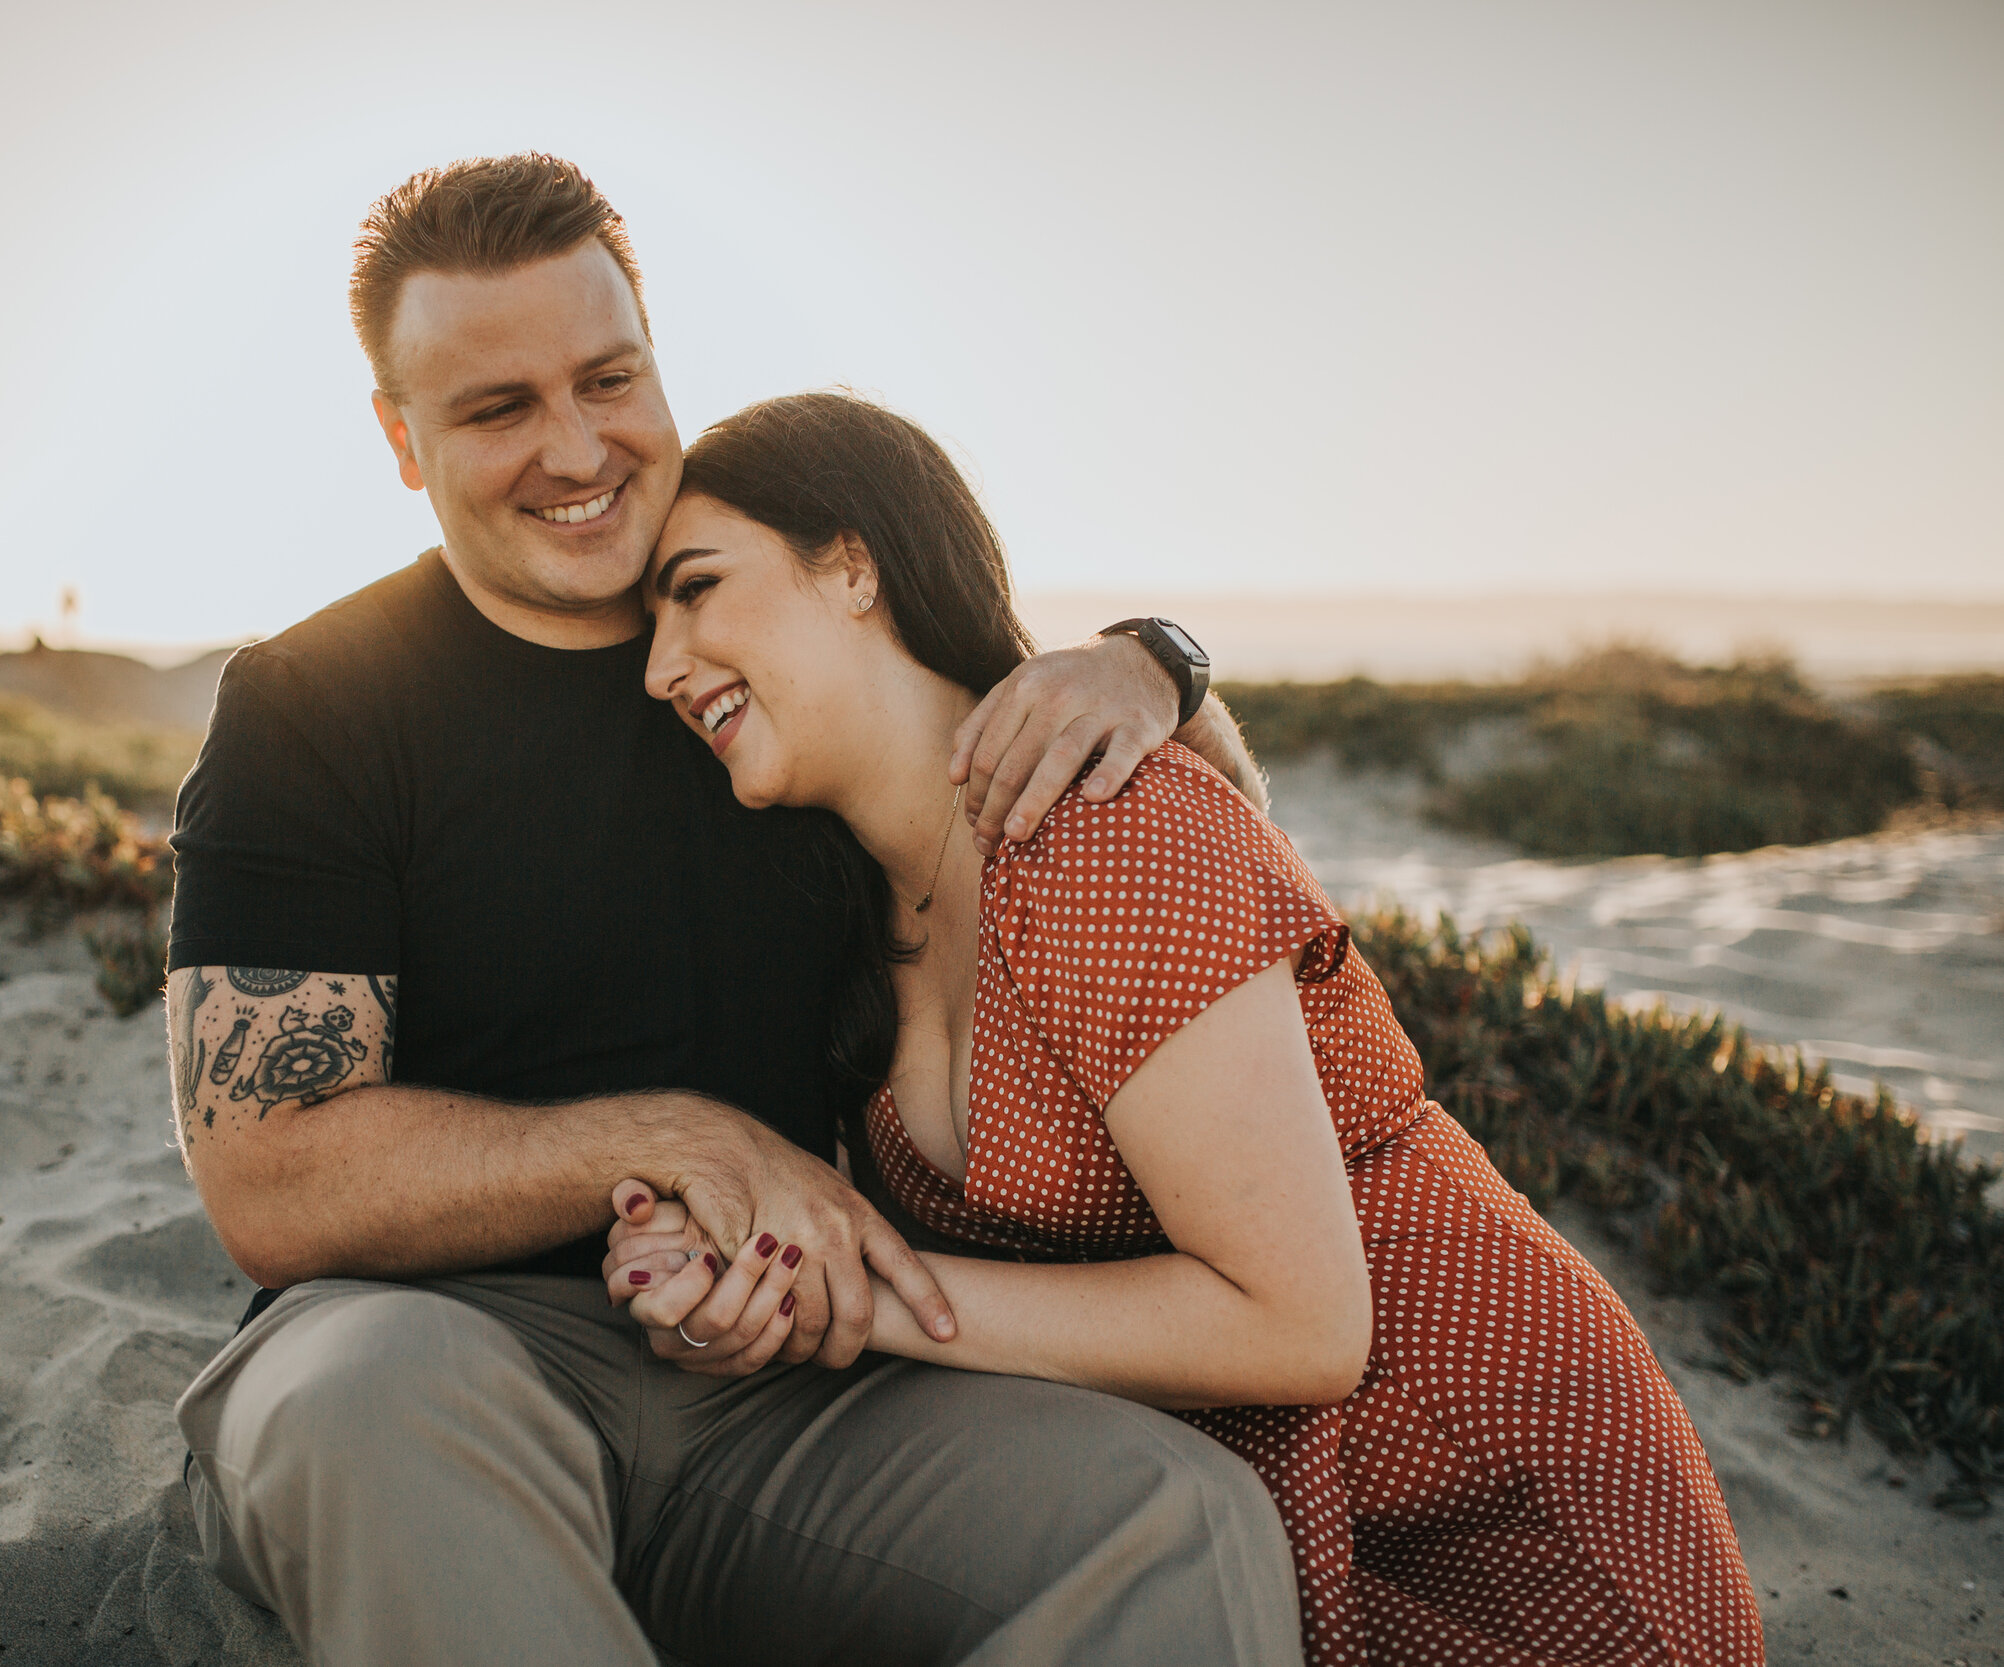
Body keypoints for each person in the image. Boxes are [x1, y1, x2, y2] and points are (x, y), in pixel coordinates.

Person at [166, 154, 1303, 1665]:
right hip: (433, 1360)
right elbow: (271, 1182)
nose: (576, 446)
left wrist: (1155, 662)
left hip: (789, 1382)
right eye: (498, 408)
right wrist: (676, 1137)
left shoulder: (753, 636)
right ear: (400, 436)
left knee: (1177, 1519)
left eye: (608, 377)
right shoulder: (314, 702)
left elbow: (1079, 775)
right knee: (365, 1399)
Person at [607, 390, 1769, 1666]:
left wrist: (875, 1297)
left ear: (852, 564)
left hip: (1476, 1496)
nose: (662, 666)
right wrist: (718, 1246)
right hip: (1196, 1528)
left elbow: (1300, 1326)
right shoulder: (837, 910)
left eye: (697, 588)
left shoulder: (1100, 824)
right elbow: (829, 1217)